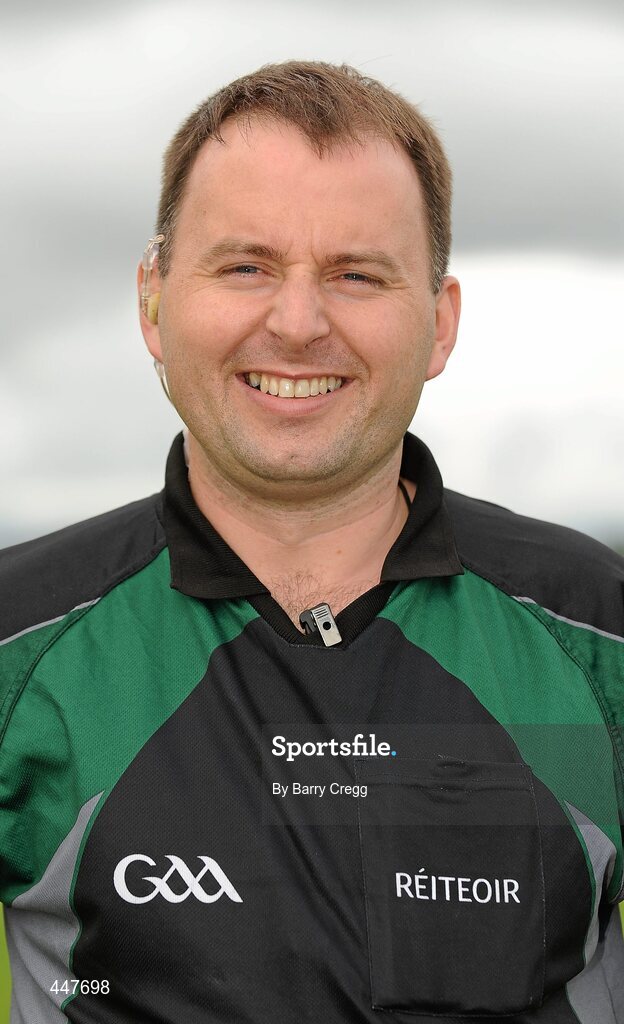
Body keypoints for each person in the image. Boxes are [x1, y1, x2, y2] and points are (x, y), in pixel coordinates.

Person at [0, 60, 622, 1024]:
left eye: (356, 274)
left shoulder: (601, 635)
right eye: (245, 265)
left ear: (441, 324)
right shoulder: (16, 645)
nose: (297, 324)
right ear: (154, 301)